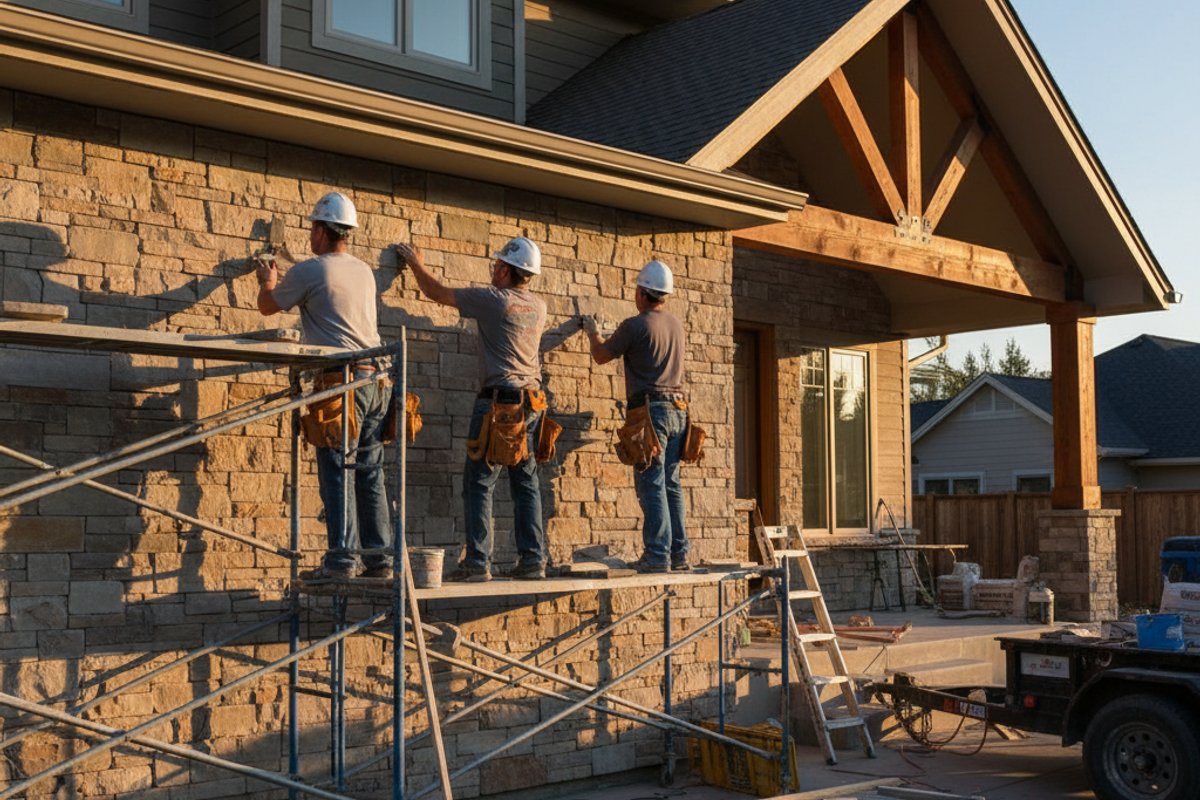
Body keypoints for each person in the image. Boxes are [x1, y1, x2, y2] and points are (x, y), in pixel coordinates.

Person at [255, 191, 392, 579]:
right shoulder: (363, 270)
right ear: (346, 233)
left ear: (320, 230)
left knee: (337, 470)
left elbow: (268, 306)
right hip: (378, 381)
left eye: (312, 228)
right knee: (368, 472)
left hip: (342, 384)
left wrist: (268, 279)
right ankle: (379, 560)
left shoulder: (311, 270)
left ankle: (342, 560)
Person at [394, 237, 548, 582]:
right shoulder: (539, 306)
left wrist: (416, 264)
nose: (493, 269)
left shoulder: (494, 301)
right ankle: (533, 560)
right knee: (525, 482)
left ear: (507, 269)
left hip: (499, 404)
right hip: (531, 403)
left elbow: (439, 293)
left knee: (479, 481)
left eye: (497, 265)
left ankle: (478, 563)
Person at [584, 259, 690, 573]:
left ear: (643, 292)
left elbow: (602, 355)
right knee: (670, 483)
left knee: (652, 484)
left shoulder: (636, 325)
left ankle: (658, 556)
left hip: (652, 413)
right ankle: (678, 554)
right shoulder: (675, 325)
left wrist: (592, 333)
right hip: (678, 412)